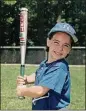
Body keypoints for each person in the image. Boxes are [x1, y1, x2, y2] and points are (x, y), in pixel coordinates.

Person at [16, 22, 78, 110]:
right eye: (56, 42)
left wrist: (23, 91)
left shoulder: (60, 67)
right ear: (48, 42)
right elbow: (39, 74)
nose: (60, 48)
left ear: (69, 50)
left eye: (66, 45)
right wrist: (27, 79)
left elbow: (41, 90)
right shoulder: (45, 63)